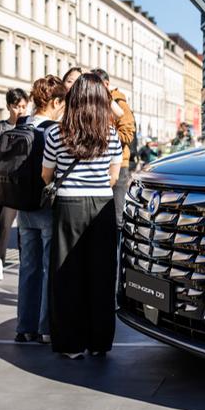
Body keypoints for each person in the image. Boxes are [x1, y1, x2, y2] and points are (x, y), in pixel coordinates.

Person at [42, 73, 122, 359]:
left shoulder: (56, 133)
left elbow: (46, 175)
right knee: (102, 273)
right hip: (102, 205)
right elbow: (114, 177)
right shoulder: (110, 134)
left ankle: (71, 343)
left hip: (68, 205)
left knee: (67, 273)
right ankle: (99, 342)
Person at [15, 75, 67, 344]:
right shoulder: (54, 130)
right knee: (49, 267)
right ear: (56, 101)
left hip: (22, 204)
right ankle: (46, 327)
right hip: (46, 204)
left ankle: (25, 326)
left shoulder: (21, 123)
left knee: (28, 266)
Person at [0, 88, 29, 281]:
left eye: (23, 106)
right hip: (6, 182)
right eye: (16, 106)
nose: (20, 110)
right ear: (8, 106)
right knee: (4, 222)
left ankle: (25, 259)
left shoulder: (29, 126)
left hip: (25, 181)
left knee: (26, 225)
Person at [92, 68, 136, 231]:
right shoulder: (93, 102)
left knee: (117, 217)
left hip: (119, 164)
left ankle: (118, 247)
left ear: (106, 84)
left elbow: (128, 135)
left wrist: (103, 134)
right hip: (97, 164)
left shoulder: (119, 103)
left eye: (95, 84)